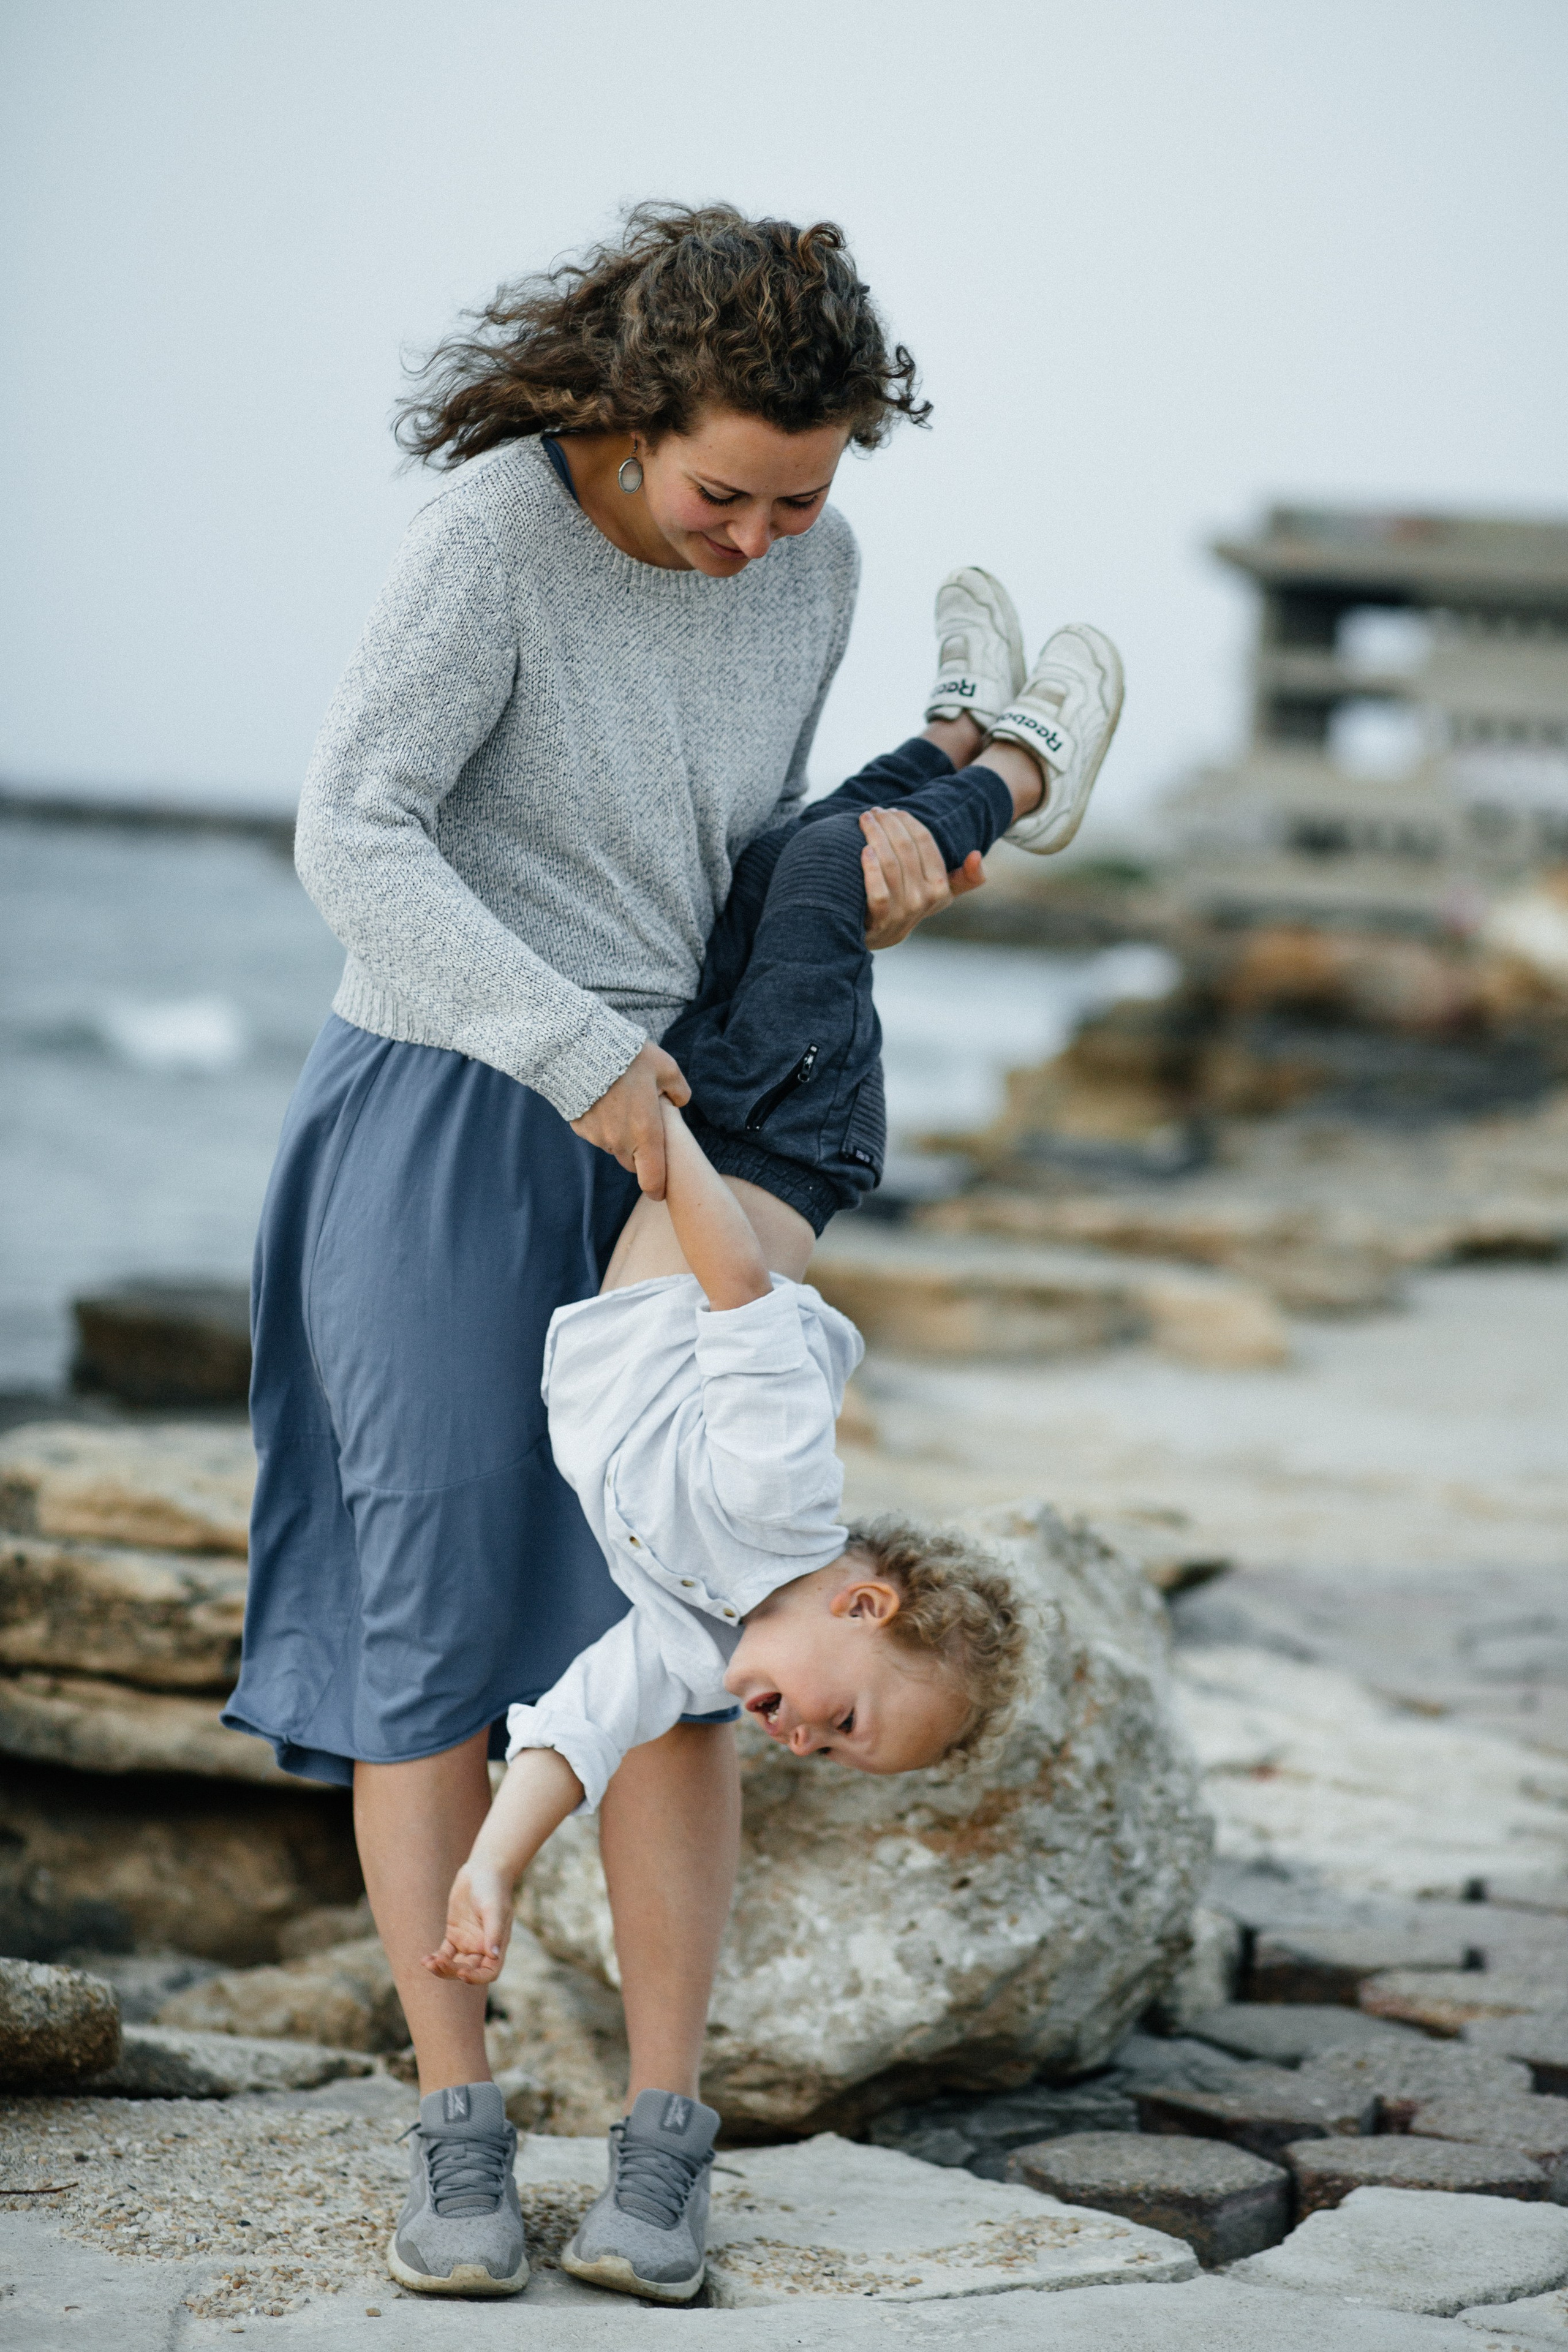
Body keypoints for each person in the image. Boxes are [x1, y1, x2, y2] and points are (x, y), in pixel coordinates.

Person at [219, 200, 1006, 2293]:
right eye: (725, 494)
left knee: (688, 1632)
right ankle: (455, 2132)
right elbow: (351, 836)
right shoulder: (492, 541)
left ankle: (667, 2147)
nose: (761, 539)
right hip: (446, 1107)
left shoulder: (815, 566)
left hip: (676, 1133)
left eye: (801, 498)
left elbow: (725, 865)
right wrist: (574, 1054)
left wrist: (874, 875)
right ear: (635, 418)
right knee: (427, 1629)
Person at [392, 595, 1124, 2303]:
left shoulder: (693, 1637)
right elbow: (733, 1293)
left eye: (825, 1756)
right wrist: (664, 1149)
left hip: (722, 1131)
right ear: (865, 1604)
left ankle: (949, 729)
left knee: (774, 866)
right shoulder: (780, 1506)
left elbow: (568, 1736)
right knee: (815, 884)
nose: (798, 1740)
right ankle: (1024, 774)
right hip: (777, 1138)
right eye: (843, 1722)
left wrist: (491, 1869)